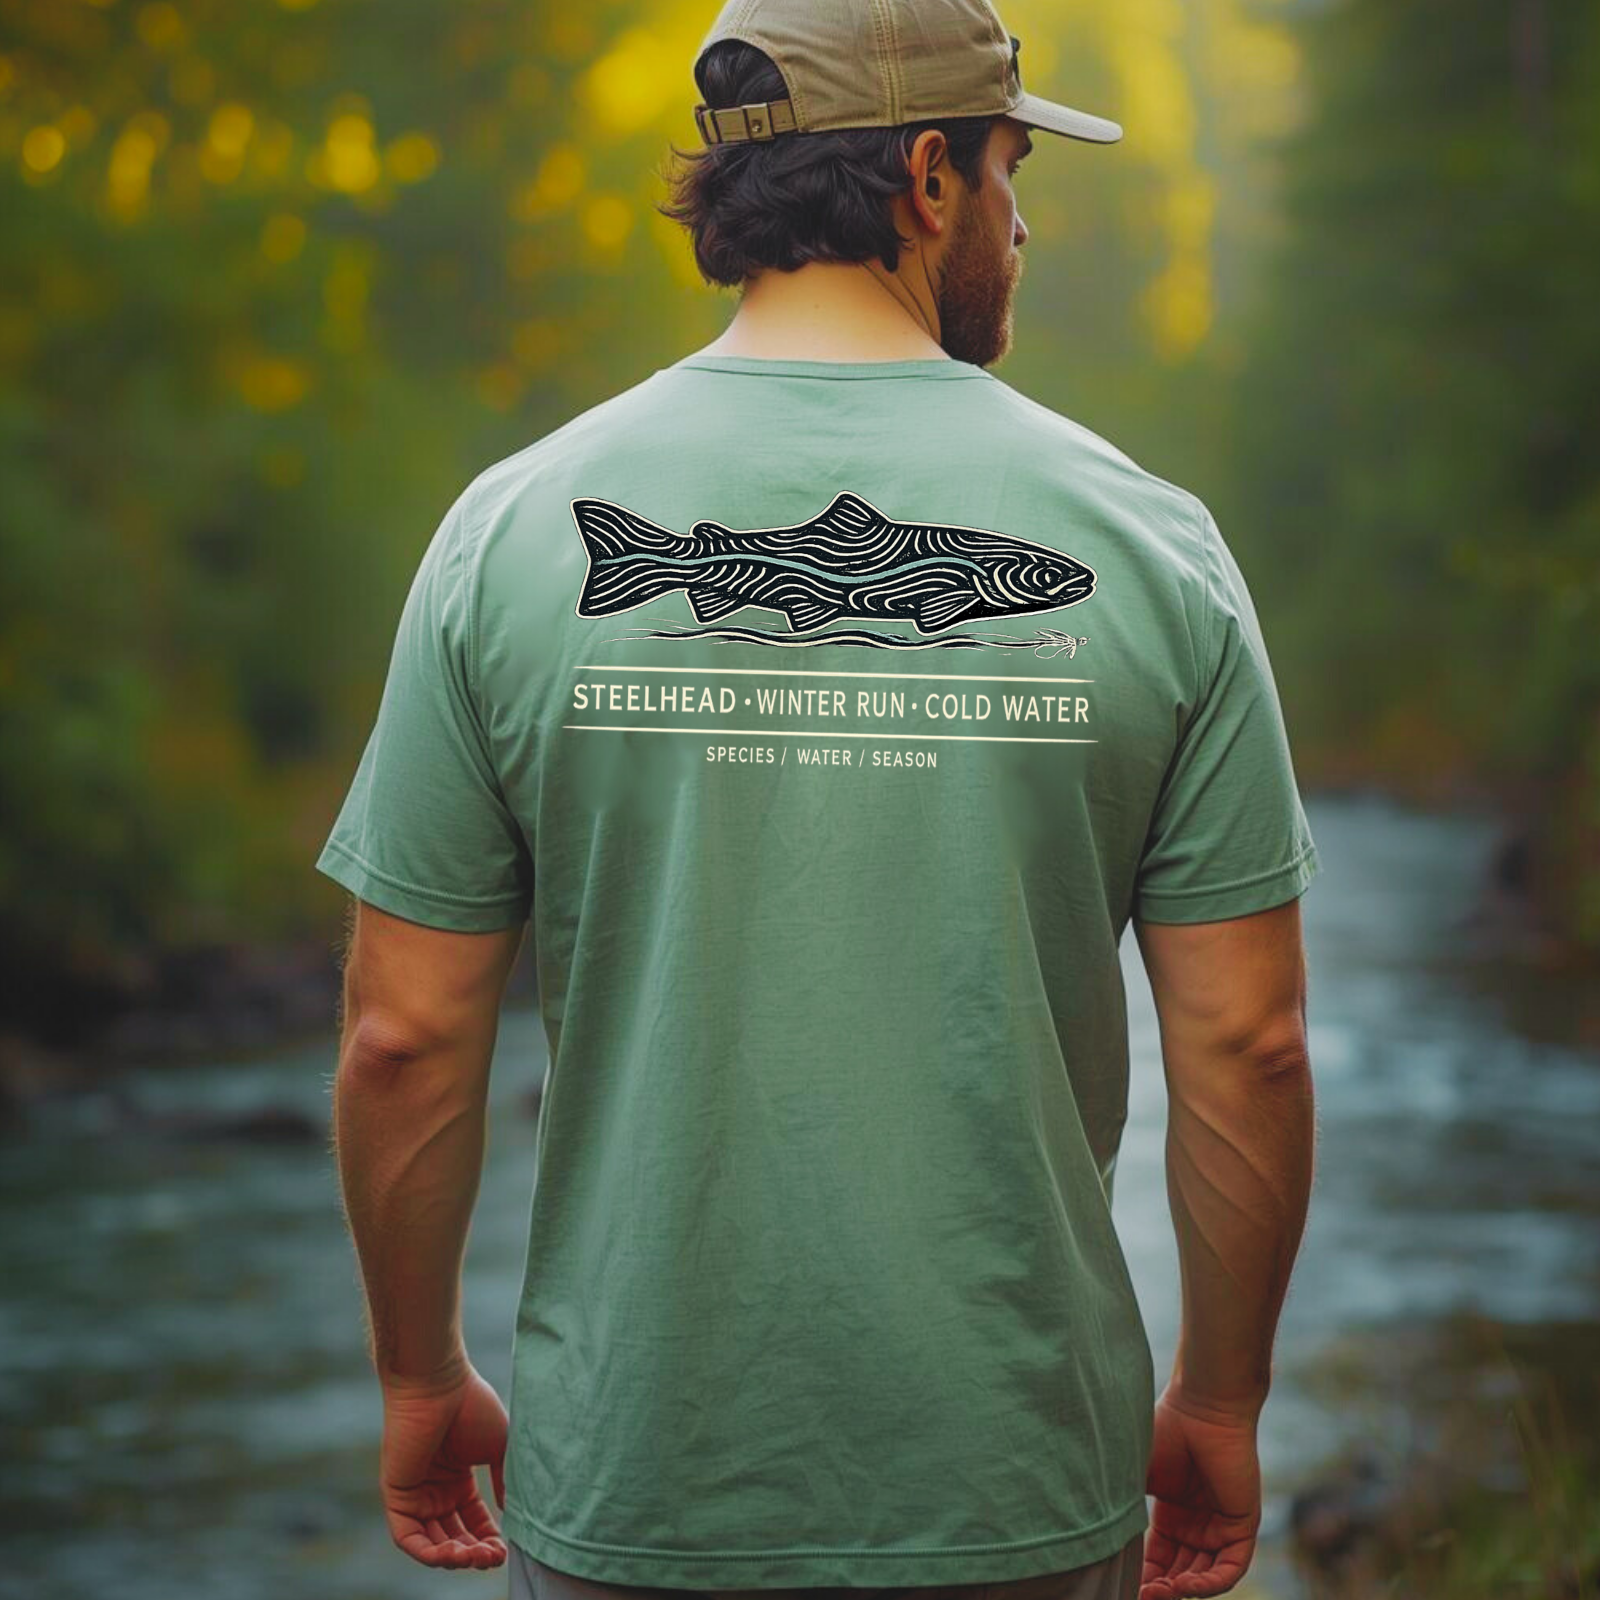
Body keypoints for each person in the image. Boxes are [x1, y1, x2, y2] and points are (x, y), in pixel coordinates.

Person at [314, 1, 1321, 1598]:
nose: (1021, 217)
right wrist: (1218, 1397)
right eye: (1008, 168)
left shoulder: (506, 534)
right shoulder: (1154, 547)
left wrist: (418, 1379)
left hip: (629, 1484)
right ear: (930, 179)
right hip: (1016, 1489)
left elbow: (402, 1036)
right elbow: (1250, 1045)